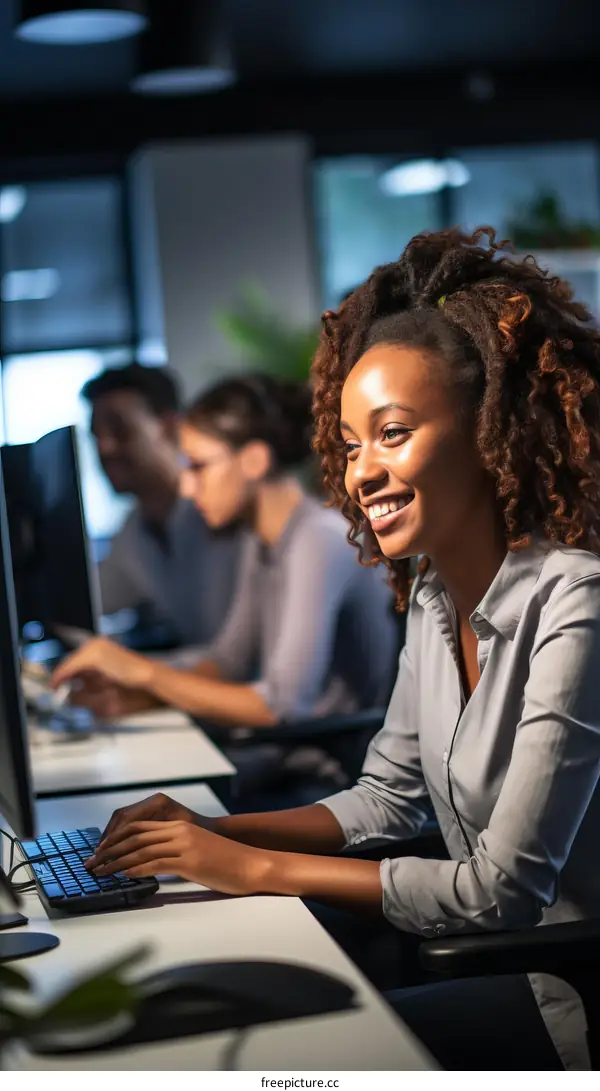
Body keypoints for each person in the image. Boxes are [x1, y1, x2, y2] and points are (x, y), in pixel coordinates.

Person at [69, 227, 600, 1070]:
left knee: (264, 1063)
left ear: (489, 428)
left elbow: (501, 891)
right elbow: (390, 800)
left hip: (568, 1008)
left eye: (392, 433)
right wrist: (211, 828)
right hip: (506, 975)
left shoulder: (577, 600)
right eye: (352, 446)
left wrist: (251, 867)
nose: (361, 473)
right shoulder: (432, 595)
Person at [53, 373, 398, 730]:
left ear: (253, 460)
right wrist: (130, 695)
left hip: (324, 765)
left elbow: (282, 704)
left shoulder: (318, 539)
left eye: (198, 467)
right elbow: (226, 661)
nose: (186, 488)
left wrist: (141, 673)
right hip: (283, 756)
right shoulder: (264, 541)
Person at [83, 363, 242, 648]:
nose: (104, 448)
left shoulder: (221, 510)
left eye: (120, 430)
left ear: (169, 427)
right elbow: (90, 597)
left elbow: (236, 657)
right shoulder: (135, 532)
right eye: (95, 436)